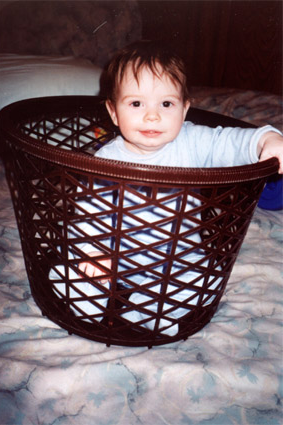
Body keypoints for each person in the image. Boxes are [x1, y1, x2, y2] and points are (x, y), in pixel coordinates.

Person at [50, 40, 283, 335]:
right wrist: (92, 252)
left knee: (205, 279)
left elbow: (231, 141)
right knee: (78, 267)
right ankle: (92, 297)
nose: (152, 115)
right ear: (113, 112)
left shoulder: (192, 141)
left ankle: (147, 307)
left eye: (166, 104)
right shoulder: (106, 159)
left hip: (177, 258)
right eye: (136, 104)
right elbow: (88, 214)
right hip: (116, 256)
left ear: (184, 110)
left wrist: (267, 140)